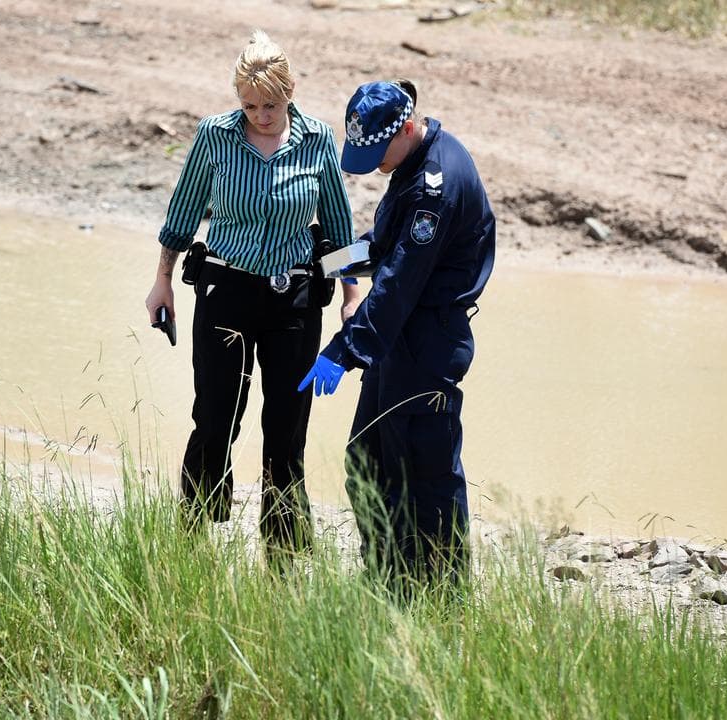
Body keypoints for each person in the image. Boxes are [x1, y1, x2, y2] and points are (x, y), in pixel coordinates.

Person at [144, 31, 360, 564]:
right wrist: (162, 279)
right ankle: (191, 540)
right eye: (249, 105)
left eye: (270, 104)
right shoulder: (215, 136)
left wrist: (351, 295)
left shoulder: (317, 141)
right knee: (216, 418)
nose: (259, 115)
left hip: (294, 302)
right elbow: (183, 211)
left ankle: (283, 557)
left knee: (286, 431)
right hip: (227, 292)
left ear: (290, 91)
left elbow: (337, 227)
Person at [298, 79, 495, 592]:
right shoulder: (409, 164)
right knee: (367, 460)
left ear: (406, 128)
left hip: (427, 344)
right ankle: (387, 580)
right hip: (395, 341)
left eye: (377, 153)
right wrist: (324, 263)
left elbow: (397, 284)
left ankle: (443, 596)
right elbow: (379, 246)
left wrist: (343, 351)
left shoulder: (437, 186)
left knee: (426, 476)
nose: (374, 164)